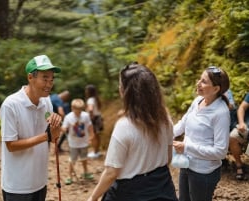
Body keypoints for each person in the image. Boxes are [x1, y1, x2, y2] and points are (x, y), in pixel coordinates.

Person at [87, 62, 178, 201]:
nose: (119, 88)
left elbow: (112, 172)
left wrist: (93, 197)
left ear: (127, 92)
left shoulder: (124, 126)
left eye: (120, 85)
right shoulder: (165, 119)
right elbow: (168, 158)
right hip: (162, 186)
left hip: (130, 191)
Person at [0, 55, 62, 201]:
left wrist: (56, 125)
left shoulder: (46, 102)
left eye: (52, 79)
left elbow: (53, 138)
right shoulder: (11, 105)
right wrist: (46, 136)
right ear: (30, 77)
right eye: (45, 78)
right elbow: (11, 145)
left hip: (40, 181)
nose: (49, 84)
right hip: (17, 186)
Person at [173, 66, 230, 201]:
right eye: (200, 79)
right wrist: (164, 135)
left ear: (216, 89)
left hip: (203, 173)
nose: (198, 83)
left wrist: (186, 148)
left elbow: (221, 152)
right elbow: (182, 124)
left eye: (204, 82)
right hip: (186, 164)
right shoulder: (197, 101)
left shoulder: (220, 113)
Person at [61, 98, 95, 185]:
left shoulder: (86, 116)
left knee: (84, 158)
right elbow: (64, 128)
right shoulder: (68, 117)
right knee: (72, 160)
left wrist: (92, 136)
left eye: (80, 110)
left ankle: (86, 172)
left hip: (84, 142)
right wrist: (64, 128)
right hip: (73, 143)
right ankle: (70, 176)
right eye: (77, 111)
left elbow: (90, 126)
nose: (79, 112)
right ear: (72, 108)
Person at [229, 92, 249, 180]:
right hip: (247, 126)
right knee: (233, 137)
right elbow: (241, 108)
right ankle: (239, 165)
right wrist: (241, 122)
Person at [85, 84, 103, 159]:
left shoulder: (90, 100)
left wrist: (90, 117)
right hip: (98, 117)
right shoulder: (96, 99)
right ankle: (97, 151)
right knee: (97, 135)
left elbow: (90, 109)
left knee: (94, 136)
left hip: (94, 119)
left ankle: (95, 152)